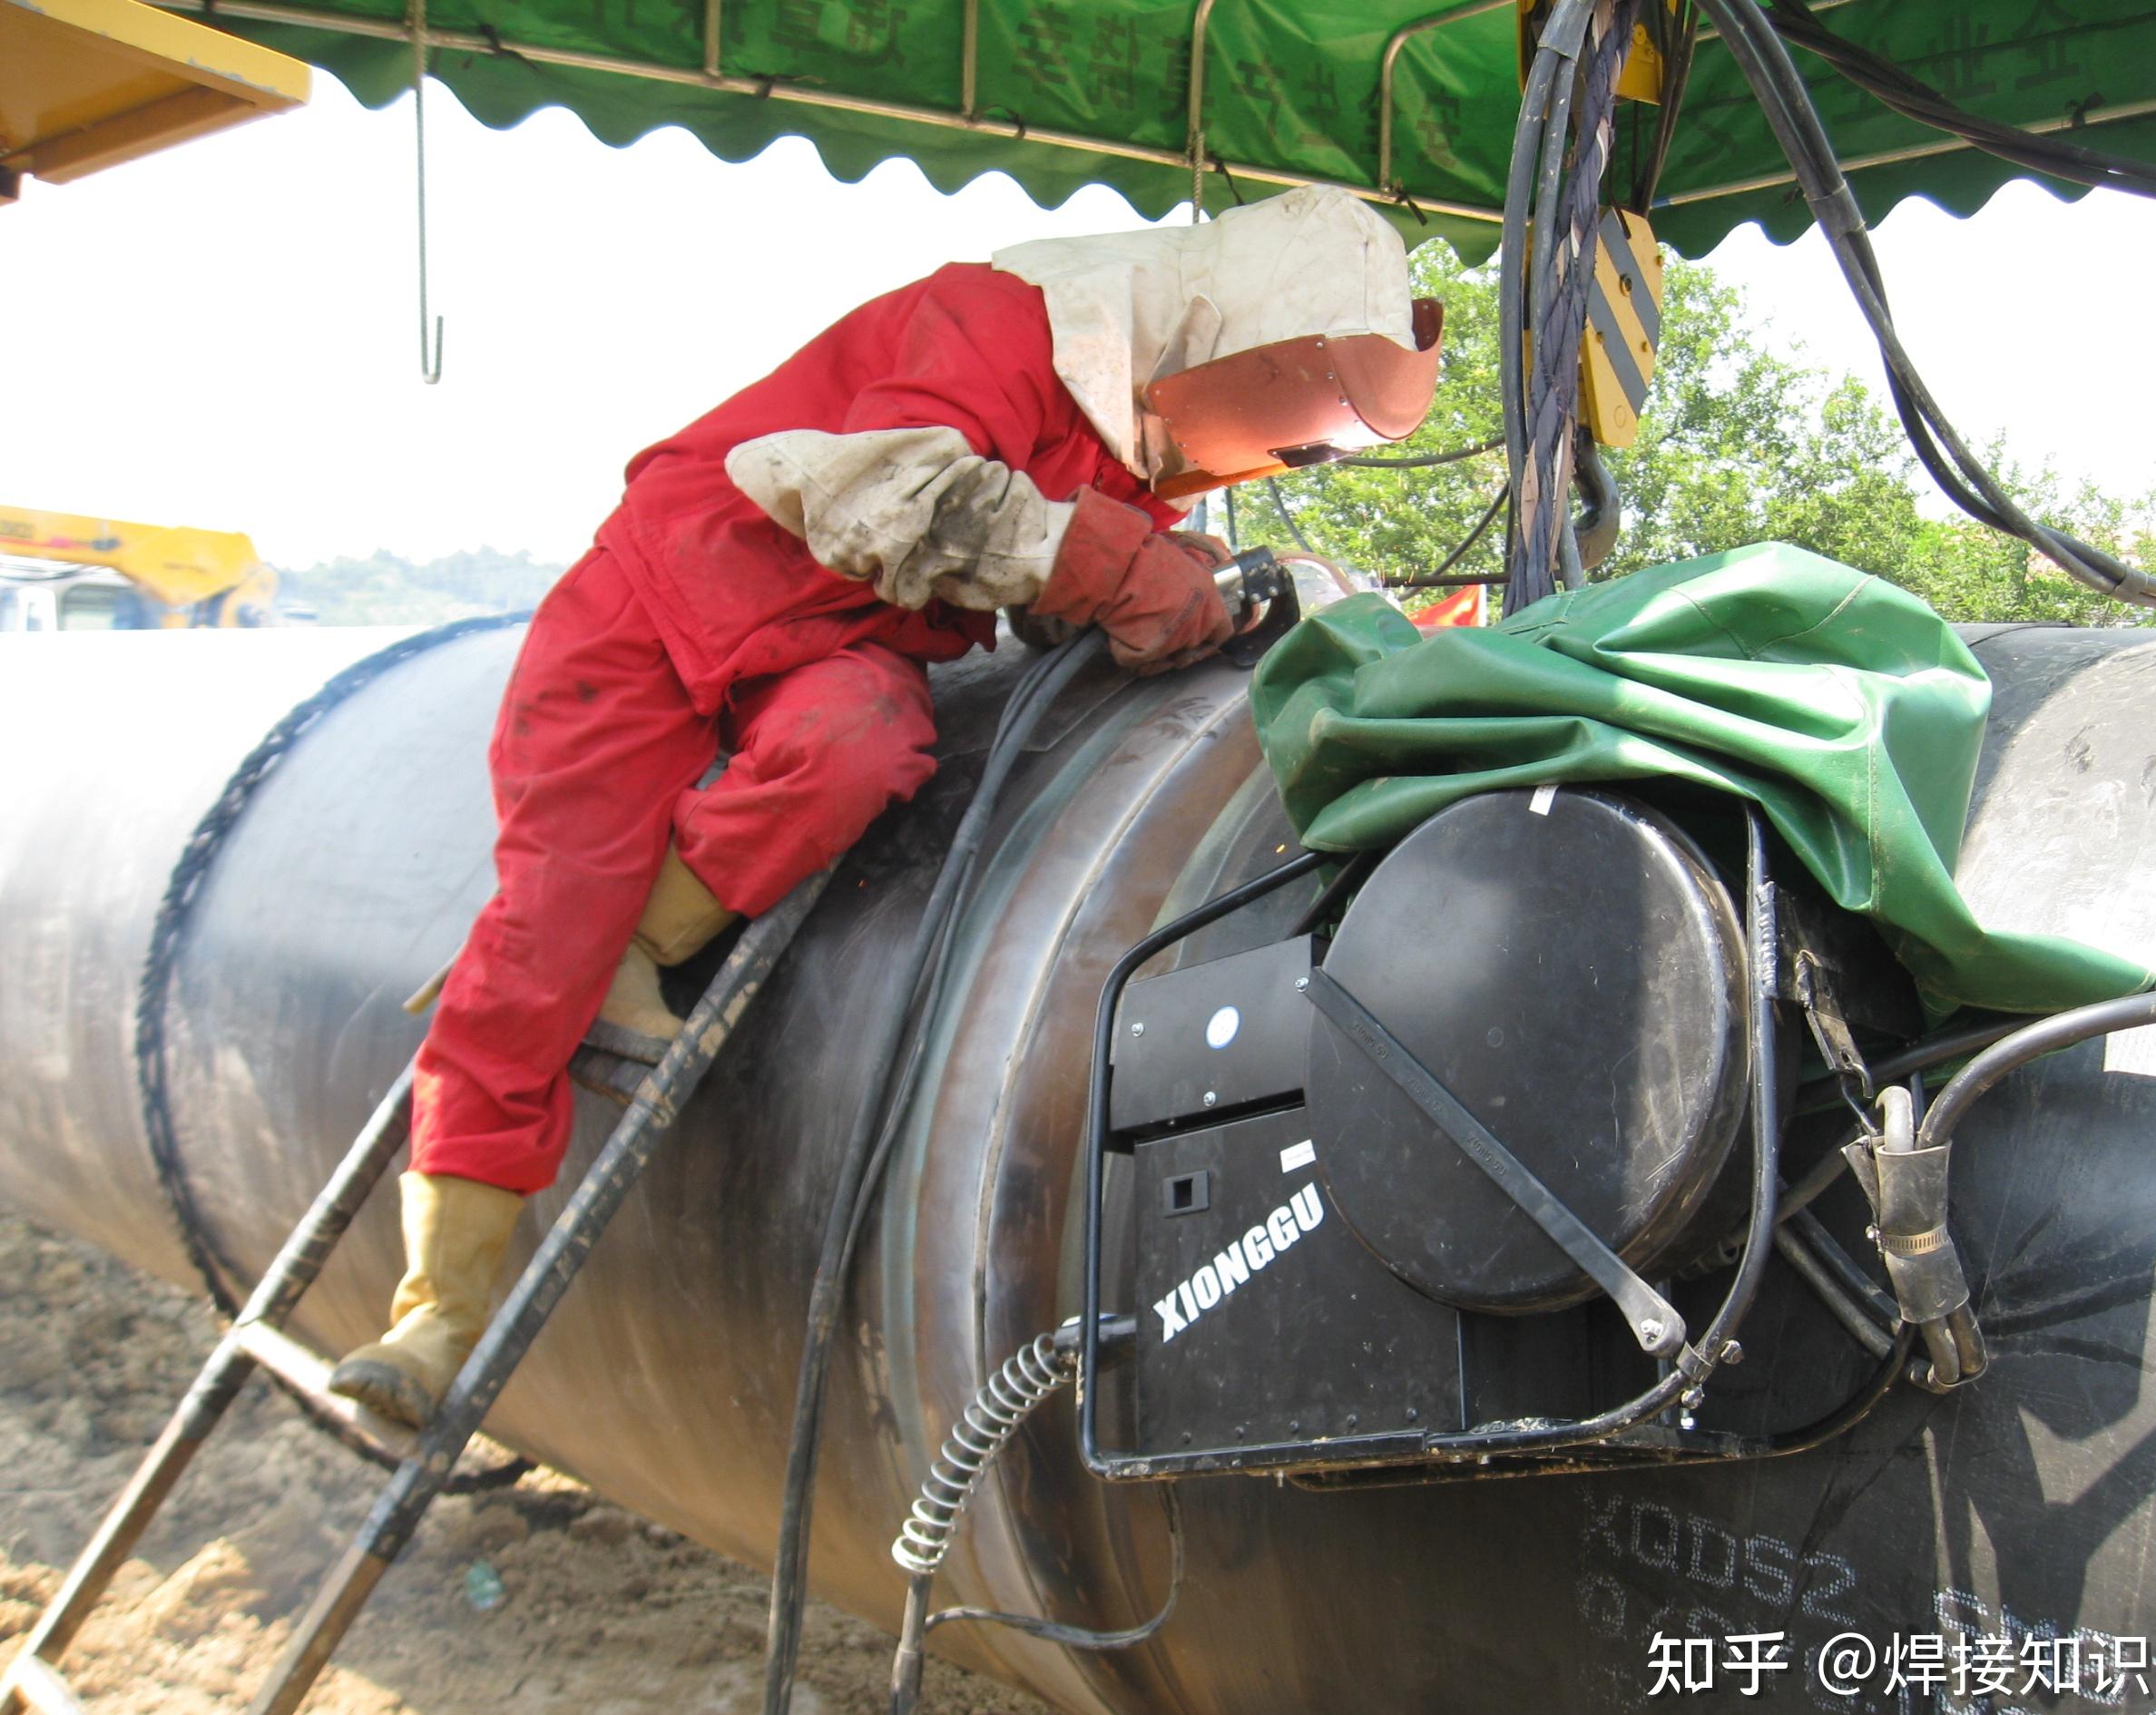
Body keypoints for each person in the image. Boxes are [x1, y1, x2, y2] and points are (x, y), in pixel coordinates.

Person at [328, 183, 1445, 1428]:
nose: (1281, 456)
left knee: (861, 745)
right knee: (544, 934)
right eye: (1300, 427)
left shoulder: (1133, 443)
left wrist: (1178, 589)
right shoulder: (997, 325)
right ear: (1240, 338)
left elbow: (1049, 581)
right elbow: (888, 487)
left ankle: (639, 939)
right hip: (660, 603)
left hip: (832, 646)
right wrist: (1113, 565)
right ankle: (436, 1314)